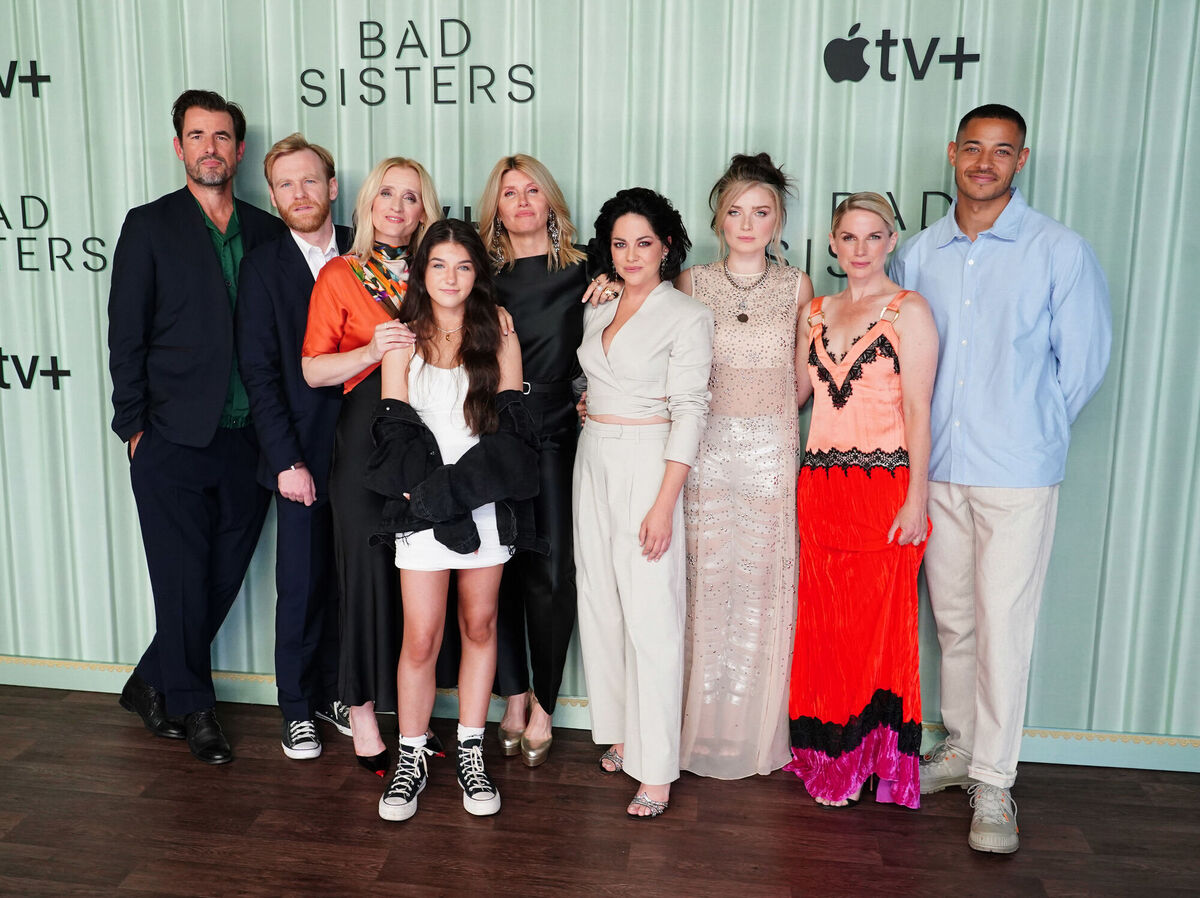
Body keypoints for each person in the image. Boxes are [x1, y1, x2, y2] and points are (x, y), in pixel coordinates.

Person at [890, 104, 1111, 853]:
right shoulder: (918, 253)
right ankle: (958, 749)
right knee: (953, 619)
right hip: (939, 469)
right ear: (952, 153)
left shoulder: (1058, 250)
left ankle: (996, 783)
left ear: (1022, 160)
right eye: (974, 148)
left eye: (1002, 151)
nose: (985, 162)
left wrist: (1031, 425)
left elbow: (1081, 365)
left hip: (1017, 471)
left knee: (1004, 625)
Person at [108, 88, 286, 765]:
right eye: (197, 135)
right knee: (180, 577)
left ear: (239, 151)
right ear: (178, 147)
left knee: (221, 577)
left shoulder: (268, 231)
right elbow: (126, 334)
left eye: (221, 137)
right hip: (170, 437)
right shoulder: (149, 226)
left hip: (250, 439)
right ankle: (195, 707)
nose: (210, 147)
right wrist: (133, 426)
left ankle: (151, 680)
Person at [363, 218, 541, 822]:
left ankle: (471, 749)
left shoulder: (500, 336)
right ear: (421, 273)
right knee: (421, 635)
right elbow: (396, 436)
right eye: (439, 265)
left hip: (484, 504)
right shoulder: (401, 341)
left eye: (463, 266)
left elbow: (512, 437)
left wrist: (465, 497)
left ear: (477, 275)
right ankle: (410, 756)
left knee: (481, 624)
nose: (451, 277)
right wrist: (435, 503)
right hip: (420, 507)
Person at [786, 192, 938, 810]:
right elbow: (795, 392)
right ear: (832, 243)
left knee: (876, 629)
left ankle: (872, 759)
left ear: (892, 241)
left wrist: (916, 498)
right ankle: (828, 753)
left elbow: (919, 412)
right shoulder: (815, 313)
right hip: (819, 488)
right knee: (826, 627)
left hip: (885, 493)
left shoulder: (910, 312)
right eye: (848, 237)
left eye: (872, 237)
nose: (859, 249)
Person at [574, 188, 714, 818]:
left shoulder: (686, 315)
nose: (632, 254)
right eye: (621, 242)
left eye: (645, 243)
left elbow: (690, 411)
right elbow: (597, 380)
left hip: (647, 461)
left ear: (667, 247)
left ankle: (656, 770)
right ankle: (624, 735)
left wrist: (664, 502)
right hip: (592, 456)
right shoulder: (598, 305)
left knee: (652, 614)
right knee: (601, 601)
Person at [300, 156, 442, 775]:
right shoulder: (341, 274)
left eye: (411, 197)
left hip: (433, 434)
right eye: (387, 193)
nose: (397, 207)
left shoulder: (440, 271)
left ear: (424, 211)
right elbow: (312, 369)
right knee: (364, 572)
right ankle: (360, 713)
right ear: (365, 202)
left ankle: (415, 717)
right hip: (363, 434)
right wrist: (370, 349)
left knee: (423, 576)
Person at [676, 153, 814, 779]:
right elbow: (679, 369)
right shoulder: (692, 282)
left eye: (761, 212)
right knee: (705, 577)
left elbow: (805, 374)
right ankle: (697, 729)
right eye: (735, 212)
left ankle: (752, 730)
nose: (747, 223)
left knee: (758, 580)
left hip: (768, 448)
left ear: (779, 220)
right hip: (703, 448)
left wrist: (766, 413)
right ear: (718, 220)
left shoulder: (797, 285)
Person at [476, 154, 606, 766]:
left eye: (533, 190)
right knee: (495, 569)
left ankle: (548, 702)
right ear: (495, 208)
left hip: (557, 426)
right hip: (493, 429)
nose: (523, 201)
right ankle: (514, 695)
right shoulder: (479, 276)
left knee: (552, 572)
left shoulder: (587, 269)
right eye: (510, 193)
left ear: (550, 202)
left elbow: (657, 282)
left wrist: (612, 287)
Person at [235, 133, 352, 759]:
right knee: (302, 582)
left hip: (365, 452)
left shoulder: (369, 250)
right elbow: (259, 371)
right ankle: (296, 707)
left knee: (351, 581)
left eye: (310, 181)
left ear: (331, 187)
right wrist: (286, 461)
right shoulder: (262, 267)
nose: (299, 194)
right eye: (285, 184)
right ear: (274, 196)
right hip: (300, 455)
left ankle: (339, 692)